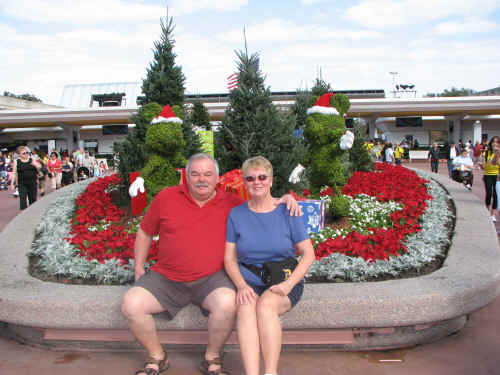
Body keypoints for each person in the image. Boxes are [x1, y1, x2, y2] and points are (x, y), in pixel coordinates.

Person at [121, 153, 300, 375]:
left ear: (217, 178)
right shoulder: (166, 198)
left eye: (207, 174)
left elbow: (261, 204)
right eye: (195, 174)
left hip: (213, 279)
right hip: (166, 276)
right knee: (131, 304)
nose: (201, 179)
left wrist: (286, 199)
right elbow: (145, 231)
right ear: (186, 177)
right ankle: (157, 356)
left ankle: (212, 357)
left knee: (228, 303)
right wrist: (139, 267)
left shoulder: (233, 204)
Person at [224, 156, 314, 375]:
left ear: (271, 181)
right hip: (251, 280)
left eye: (262, 177)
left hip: (284, 280)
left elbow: (308, 254)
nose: (257, 182)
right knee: (245, 309)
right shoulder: (236, 215)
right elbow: (229, 259)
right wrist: (241, 285)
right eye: (251, 178)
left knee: (266, 307)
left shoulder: (287, 211)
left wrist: (289, 285)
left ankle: (270, 372)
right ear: (244, 183)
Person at [479, 136, 500, 222]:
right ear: (490, 143)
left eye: (497, 142)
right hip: (487, 175)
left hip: (497, 175)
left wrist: (497, 154)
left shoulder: (498, 153)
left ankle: (493, 213)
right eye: (493, 142)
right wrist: (482, 165)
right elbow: (485, 165)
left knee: (495, 194)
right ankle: (487, 211)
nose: (495, 144)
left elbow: (495, 163)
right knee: (489, 193)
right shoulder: (486, 153)